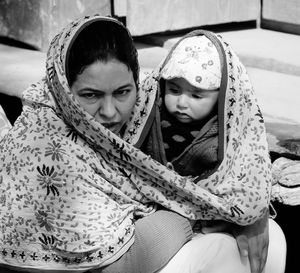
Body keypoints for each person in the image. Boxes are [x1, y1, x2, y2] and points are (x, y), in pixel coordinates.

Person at [0, 14, 285, 273]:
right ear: (63, 88)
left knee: (269, 237)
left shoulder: (140, 108)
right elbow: (119, 266)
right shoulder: (44, 149)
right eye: (90, 95)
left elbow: (242, 123)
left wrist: (249, 212)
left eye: (123, 91)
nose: (110, 112)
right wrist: (196, 218)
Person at [136, 30, 286, 273]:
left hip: (210, 219)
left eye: (196, 94)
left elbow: (243, 181)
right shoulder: (149, 115)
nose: (182, 102)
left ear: (222, 96)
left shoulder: (226, 133)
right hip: (165, 217)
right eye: (174, 90)